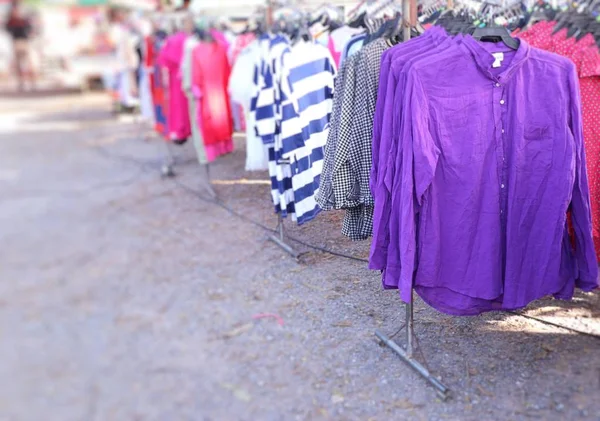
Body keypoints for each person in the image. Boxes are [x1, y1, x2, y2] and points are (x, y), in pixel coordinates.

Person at [4, 0, 35, 91]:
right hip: (16, 42)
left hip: (24, 42)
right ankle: (22, 82)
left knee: (28, 63)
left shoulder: (24, 17)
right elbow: (7, 28)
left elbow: (29, 28)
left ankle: (31, 81)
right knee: (19, 64)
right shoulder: (11, 19)